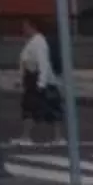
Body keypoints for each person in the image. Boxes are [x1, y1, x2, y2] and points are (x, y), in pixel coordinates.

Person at [18, 17, 61, 146]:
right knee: (35, 108)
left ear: (32, 27)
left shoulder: (39, 42)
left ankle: (28, 137)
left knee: (39, 108)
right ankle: (27, 136)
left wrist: (41, 83)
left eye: (25, 27)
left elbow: (43, 63)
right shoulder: (31, 42)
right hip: (32, 78)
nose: (23, 29)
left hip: (39, 79)